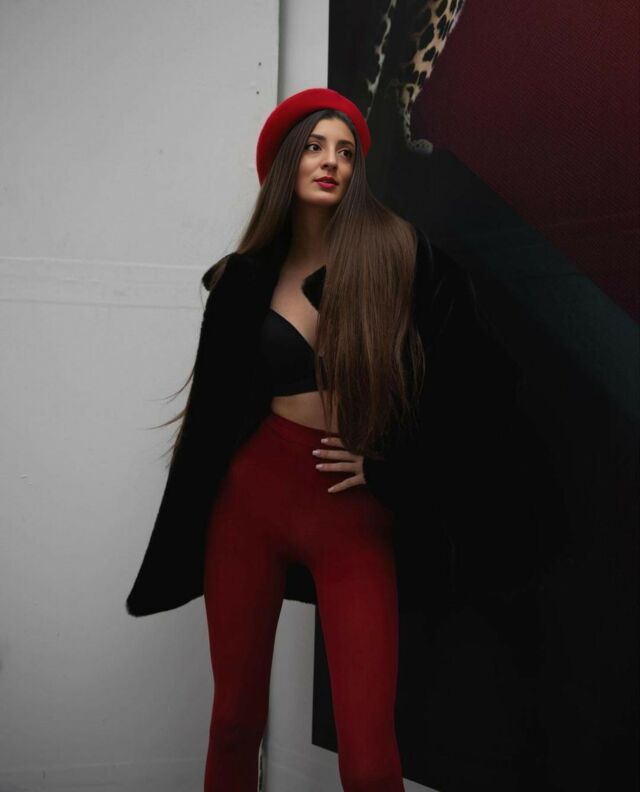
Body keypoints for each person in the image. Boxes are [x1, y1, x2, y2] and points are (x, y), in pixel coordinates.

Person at [126, 87, 554, 791]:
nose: (331, 162)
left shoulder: (397, 253)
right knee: (233, 723)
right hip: (249, 502)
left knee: (368, 751)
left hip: (348, 506)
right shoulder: (242, 279)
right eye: (316, 147)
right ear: (286, 161)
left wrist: (395, 466)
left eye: (347, 151)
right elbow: (211, 416)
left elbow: (481, 385)